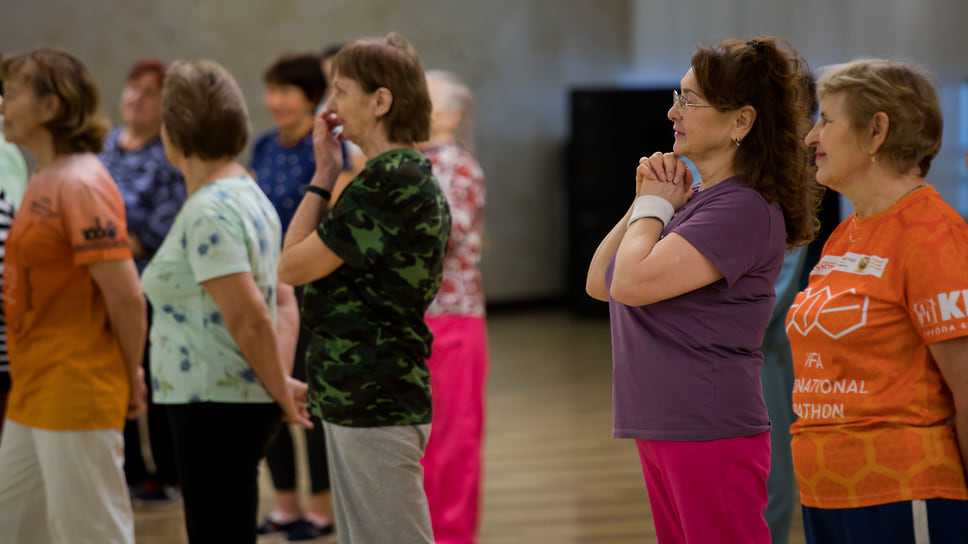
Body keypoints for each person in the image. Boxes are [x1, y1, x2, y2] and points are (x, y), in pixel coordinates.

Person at [586, 37, 820, 544]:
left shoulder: (742, 208)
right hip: (665, 420)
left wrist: (653, 206)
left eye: (690, 100)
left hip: (707, 425)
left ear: (742, 121)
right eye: (678, 94)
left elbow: (628, 282)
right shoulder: (695, 199)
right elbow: (599, 282)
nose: (673, 110)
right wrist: (644, 202)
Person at [785, 58, 968, 543]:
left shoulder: (932, 235)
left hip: (903, 492)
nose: (810, 138)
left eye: (825, 119)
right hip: (826, 493)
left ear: (876, 132)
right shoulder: (845, 234)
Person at [278, 32, 451, 544]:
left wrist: (322, 178)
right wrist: (328, 171)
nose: (330, 107)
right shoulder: (386, 176)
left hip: (375, 398)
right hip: (358, 395)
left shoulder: (390, 180)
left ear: (380, 101)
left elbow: (290, 266)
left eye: (341, 90)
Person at [142, 58, 312, 544]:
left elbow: (251, 316)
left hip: (210, 405)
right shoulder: (248, 191)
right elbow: (282, 302)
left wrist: (278, 389)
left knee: (217, 531)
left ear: (173, 136)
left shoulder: (208, 211)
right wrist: (275, 385)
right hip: (232, 401)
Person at [0, 47, 147, 544]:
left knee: (91, 533)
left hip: (77, 386)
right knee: (15, 526)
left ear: (51, 106)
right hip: (32, 387)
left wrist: (130, 373)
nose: (3, 103)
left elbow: (127, 295)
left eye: (13, 93)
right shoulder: (43, 175)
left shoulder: (82, 182)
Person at [250, 51, 338, 541]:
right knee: (272, 388)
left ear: (310, 95)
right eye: (271, 90)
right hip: (266, 287)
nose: (274, 101)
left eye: (286, 90)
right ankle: (285, 505)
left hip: (311, 290)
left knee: (311, 397)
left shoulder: (323, 148)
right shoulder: (263, 146)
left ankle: (322, 509)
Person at [99, 57, 185, 506]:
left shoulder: (168, 155)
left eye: (149, 91)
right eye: (132, 87)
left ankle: (168, 473)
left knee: (154, 378)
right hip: (103, 287)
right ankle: (131, 470)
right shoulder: (109, 144)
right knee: (116, 377)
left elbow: (154, 233)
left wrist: (101, 238)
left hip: (151, 287)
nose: (135, 97)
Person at [419, 69, 488, 544]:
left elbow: (444, 234)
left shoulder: (457, 165)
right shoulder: (410, 162)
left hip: (453, 321)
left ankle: (451, 536)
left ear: (450, 114)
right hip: (416, 318)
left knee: (453, 440)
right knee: (420, 440)